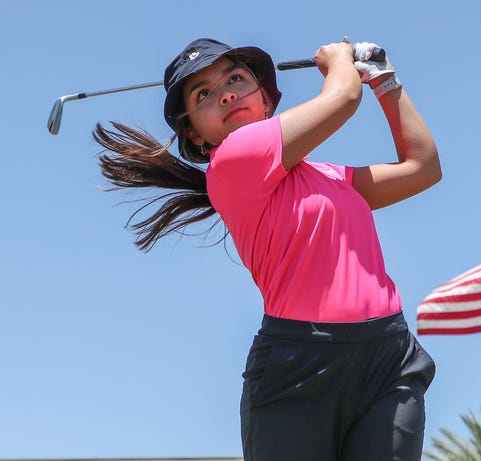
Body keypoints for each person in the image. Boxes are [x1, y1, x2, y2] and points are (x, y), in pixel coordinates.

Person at [94, 36, 441, 461]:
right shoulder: (232, 161)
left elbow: (422, 169)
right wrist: (339, 62)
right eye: (204, 94)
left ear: (265, 99)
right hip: (298, 368)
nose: (225, 93)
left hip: (388, 358)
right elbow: (345, 96)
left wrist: (386, 81)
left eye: (236, 79)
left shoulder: (329, 175)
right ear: (195, 134)